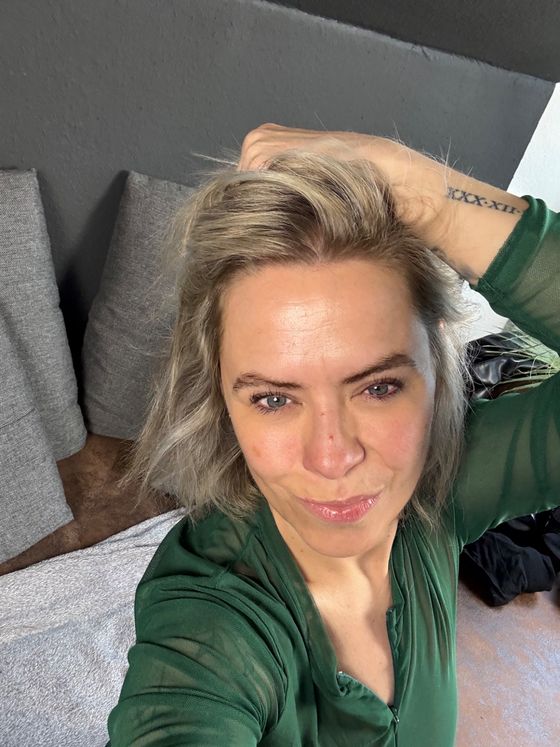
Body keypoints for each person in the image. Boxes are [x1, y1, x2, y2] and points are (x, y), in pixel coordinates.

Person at [106, 124, 559, 746]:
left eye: (378, 387)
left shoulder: (436, 490)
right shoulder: (215, 621)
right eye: (273, 399)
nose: (332, 458)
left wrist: (429, 195)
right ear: (222, 402)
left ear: (437, 368)